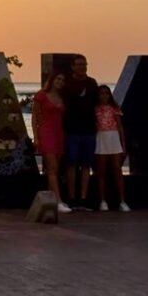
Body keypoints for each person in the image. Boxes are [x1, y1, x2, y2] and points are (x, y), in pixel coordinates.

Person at [62, 54, 99, 210]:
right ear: (72, 66)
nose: (82, 67)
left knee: (86, 165)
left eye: (84, 64)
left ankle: (83, 198)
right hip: (71, 131)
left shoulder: (92, 83)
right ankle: (71, 198)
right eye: (79, 64)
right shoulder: (67, 84)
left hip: (89, 131)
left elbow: (98, 104)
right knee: (71, 164)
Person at [32, 72, 70, 214]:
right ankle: (58, 201)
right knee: (53, 168)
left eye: (62, 80)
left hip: (59, 133)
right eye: (58, 79)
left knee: (53, 169)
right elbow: (35, 116)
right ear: (52, 80)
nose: (60, 81)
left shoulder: (62, 97)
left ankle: (50, 199)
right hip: (46, 132)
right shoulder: (41, 95)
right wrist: (36, 137)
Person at [94, 84, 130, 212]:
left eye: (106, 93)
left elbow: (120, 127)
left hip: (113, 138)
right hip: (101, 138)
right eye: (101, 93)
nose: (104, 96)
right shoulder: (95, 109)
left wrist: (123, 144)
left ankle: (122, 201)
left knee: (117, 170)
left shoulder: (114, 108)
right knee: (101, 171)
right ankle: (103, 201)